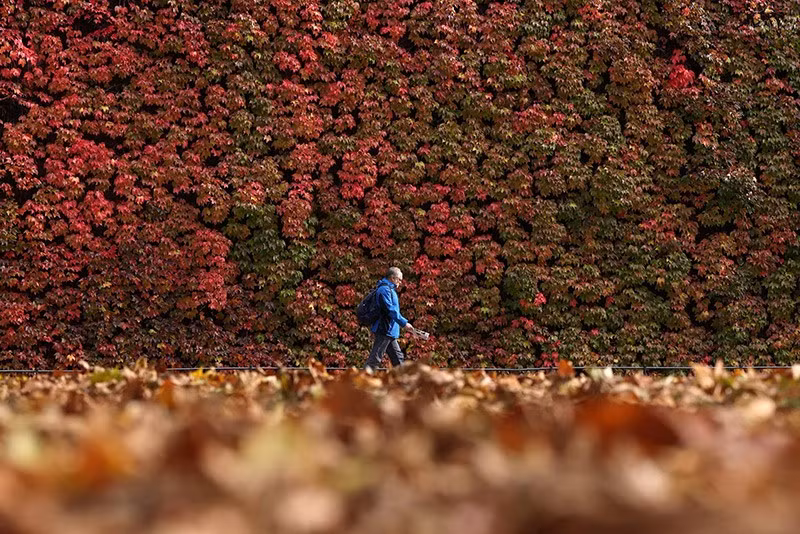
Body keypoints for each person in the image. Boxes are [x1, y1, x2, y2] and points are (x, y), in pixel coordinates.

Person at [364, 267, 414, 371]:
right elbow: (391, 310)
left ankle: (405, 383)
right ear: (392, 278)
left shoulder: (389, 290)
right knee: (375, 359)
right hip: (384, 329)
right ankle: (360, 382)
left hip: (390, 330)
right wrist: (404, 323)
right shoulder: (384, 290)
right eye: (399, 279)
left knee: (398, 359)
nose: (400, 282)